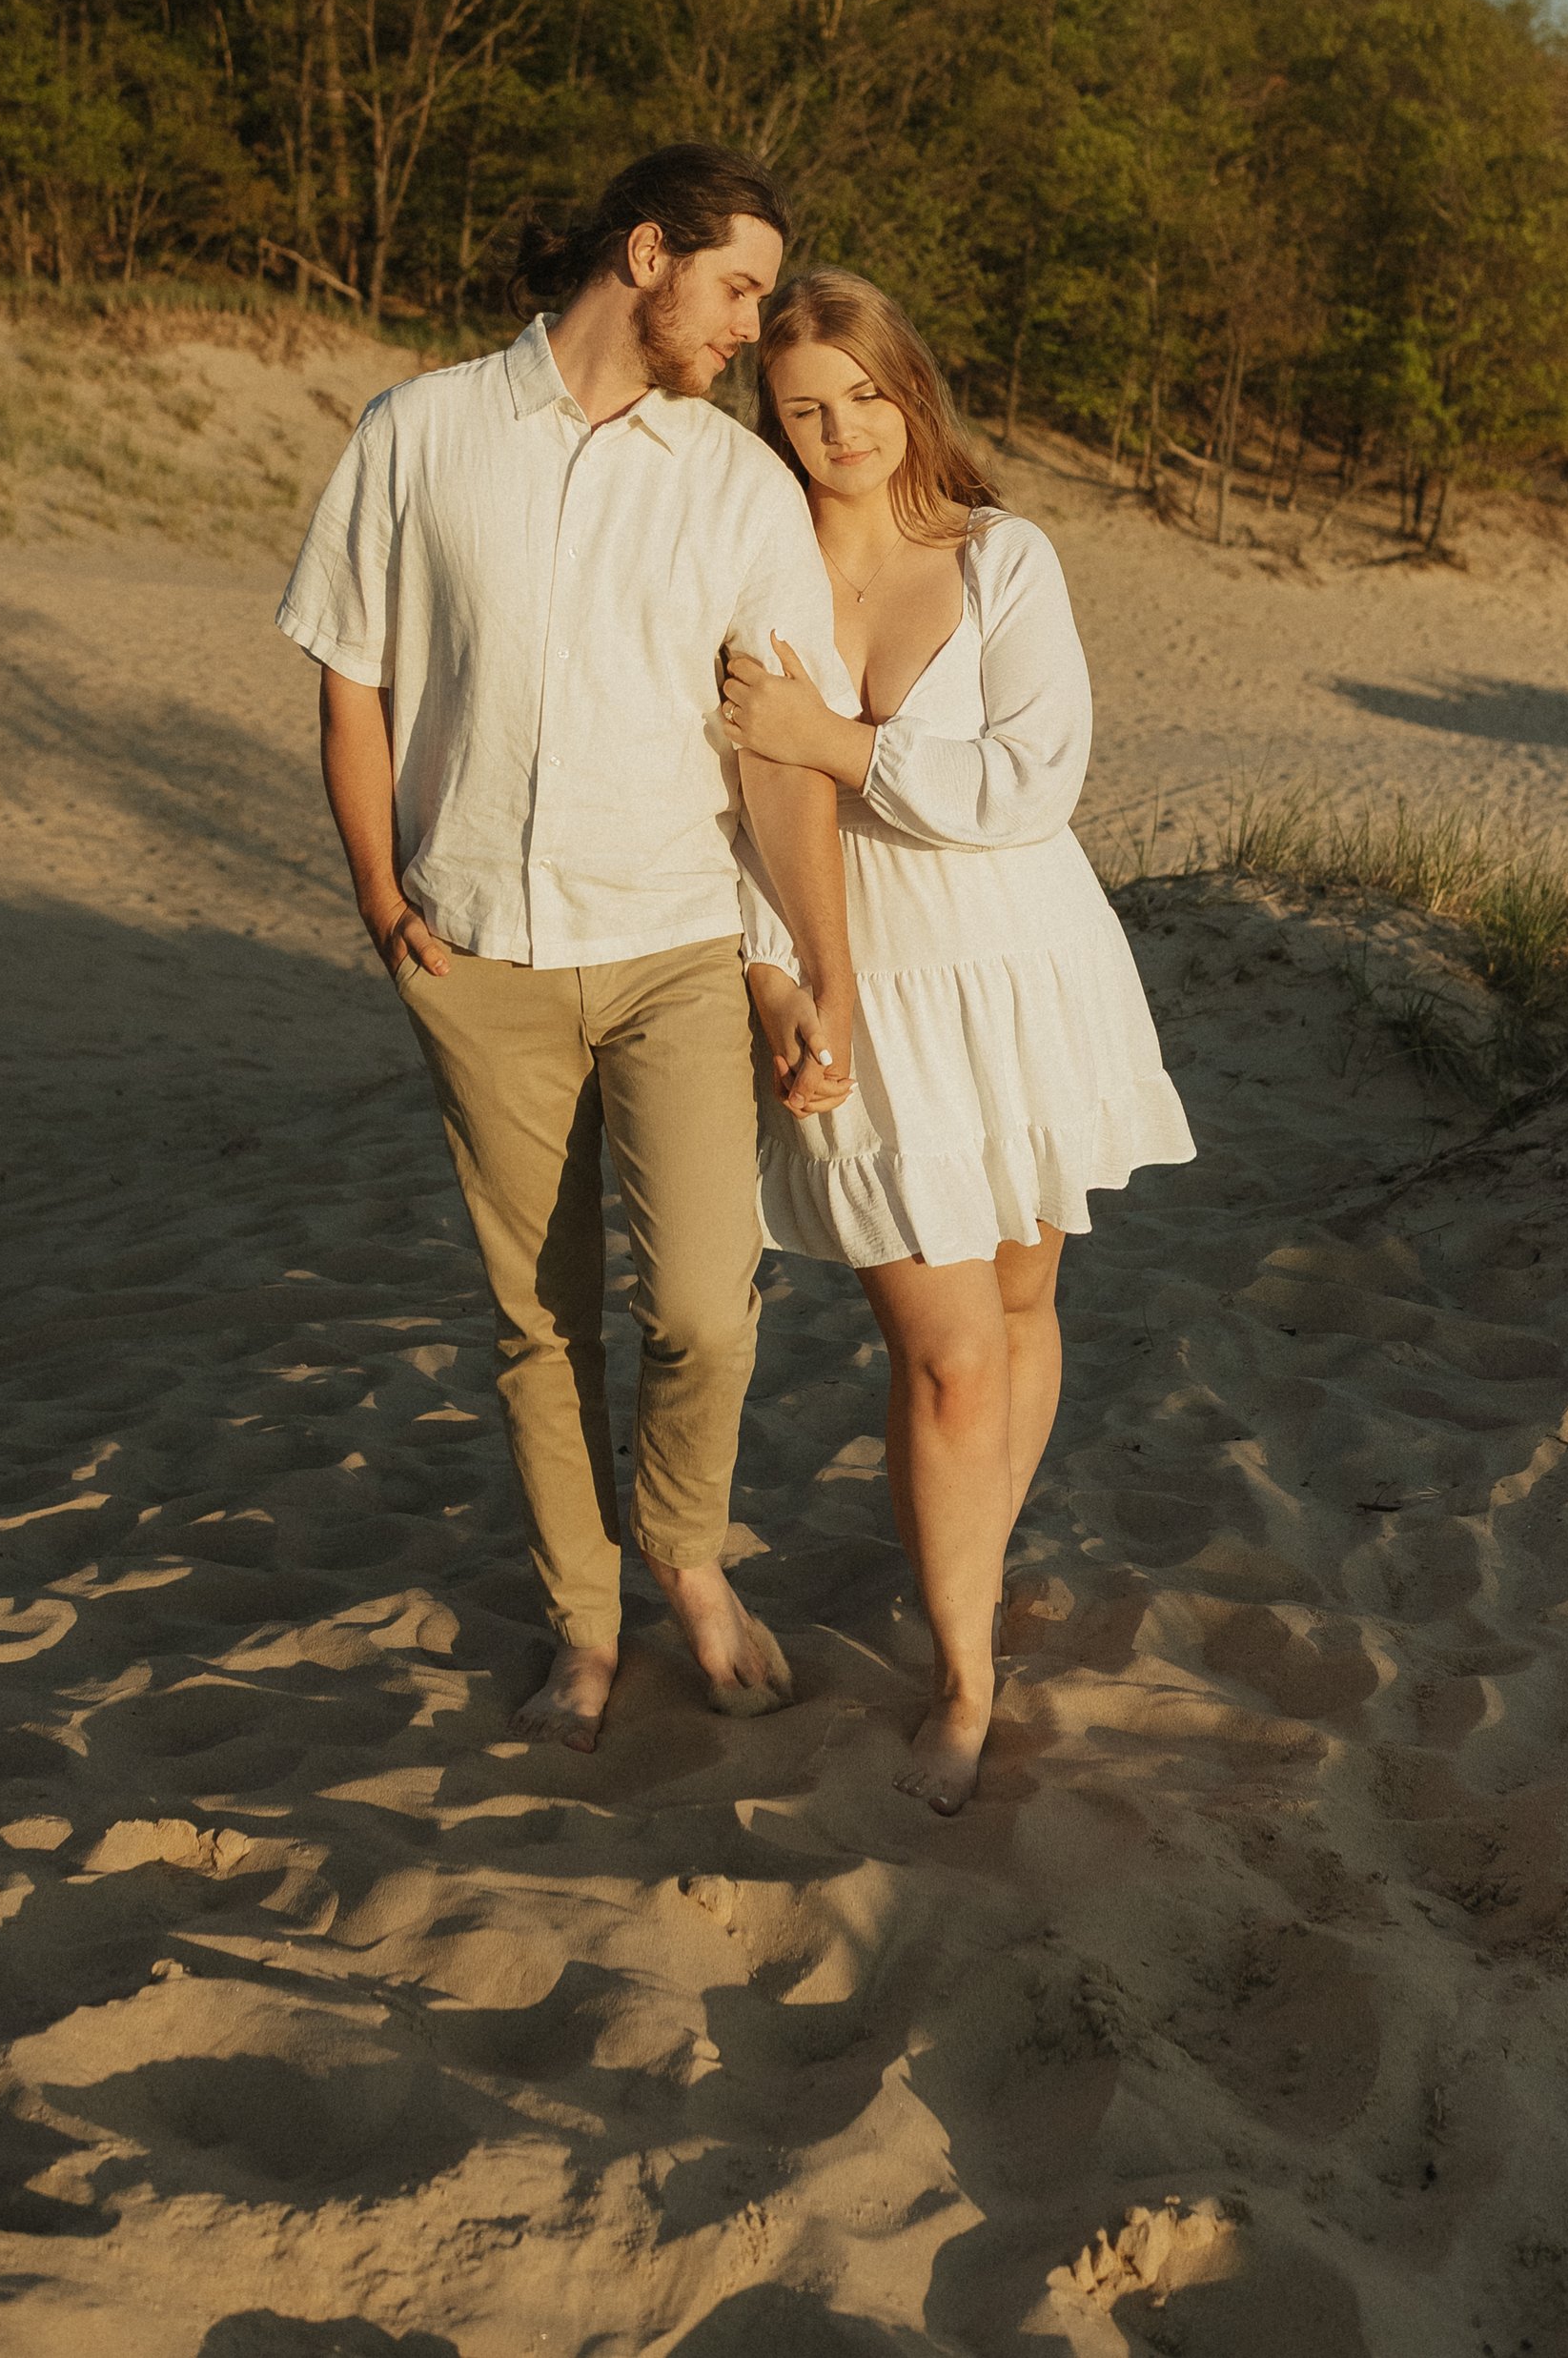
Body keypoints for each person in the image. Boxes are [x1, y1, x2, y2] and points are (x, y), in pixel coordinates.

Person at [283, 147, 859, 1754]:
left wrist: (814, 961)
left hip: (676, 940)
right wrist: (382, 901)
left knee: (706, 1305)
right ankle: (586, 1625)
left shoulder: (738, 486)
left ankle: (682, 1545)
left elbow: (776, 749)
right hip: (478, 958)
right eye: (737, 286)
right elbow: (351, 679)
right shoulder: (421, 431)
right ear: (648, 253)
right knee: (541, 1324)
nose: (749, 326)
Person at [719, 269, 1193, 1813]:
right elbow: (720, 812)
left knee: (1027, 1295)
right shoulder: (750, 575)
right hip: (864, 989)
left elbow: (1029, 784)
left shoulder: (1004, 557)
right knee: (942, 1355)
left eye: (863, 392)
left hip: (1023, 968)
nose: (842, 429)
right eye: (806, 407)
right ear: (771, 424)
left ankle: (973, 1571)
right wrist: (767, 975)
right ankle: (966, 1677)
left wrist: (839, 742)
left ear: (909, 388)